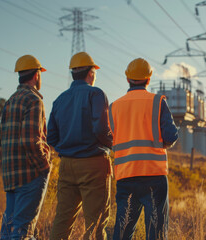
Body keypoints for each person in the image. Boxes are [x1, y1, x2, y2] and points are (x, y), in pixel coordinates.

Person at [109, 58, 178, 240]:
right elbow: (171, 136)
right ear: (149, 79)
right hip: (153, 176)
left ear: (127, 79)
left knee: (122, 232)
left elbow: (110, 140)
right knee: (155, 232)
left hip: (126, 176)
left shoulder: (114, 107)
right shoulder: (157, 102)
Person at [47, 52, 113, 240]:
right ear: (91, 73)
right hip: (93, 164)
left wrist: (67, 147)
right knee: (96, 223)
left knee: (62, 221)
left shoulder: (60, 99)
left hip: (66, 165)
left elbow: (51, 136)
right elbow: (101, 129)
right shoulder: (96, 93)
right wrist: (112, 144)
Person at [0, 55, 51, 240]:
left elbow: (0, 141)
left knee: (8, 230)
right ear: (36, 75)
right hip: (30, 175)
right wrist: (45, 166)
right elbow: (31, 140)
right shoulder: (34, 100)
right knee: (23, 232)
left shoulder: (10, 101)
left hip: (10, 176)